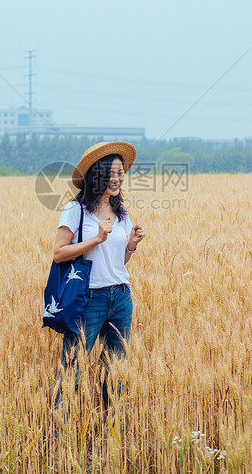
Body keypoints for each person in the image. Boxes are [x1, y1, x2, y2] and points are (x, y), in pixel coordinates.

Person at [52, 141, 146, 411]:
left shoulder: (121, 213)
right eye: (110, 173)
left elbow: (119, 262)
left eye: (120, 173)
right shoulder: (75, 210)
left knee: (115, 372)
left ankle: (111, 436)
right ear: (96, 175)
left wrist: (131, 244)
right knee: (73, 371)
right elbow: (59, 253)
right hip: (88, 299)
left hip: (121, 296)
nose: (116, 179)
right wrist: (97, 238)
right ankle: (60, 435)